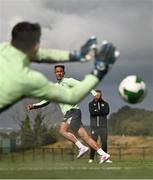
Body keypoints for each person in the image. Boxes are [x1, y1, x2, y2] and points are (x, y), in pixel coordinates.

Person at [0, 21, 119, 114]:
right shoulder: (30, 80)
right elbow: (72, 96)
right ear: (35, 46)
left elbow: (41, 55)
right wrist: (99, 71)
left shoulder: (3, 48)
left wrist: (76, 55)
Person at [26, 65, 111, 163]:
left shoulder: (68, 81)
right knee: (85, 137)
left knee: (62, 130)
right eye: (57, 71)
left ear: (64, 73)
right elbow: (47, 100)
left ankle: (81, 147)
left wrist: (93, 92)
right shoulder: (55, 87)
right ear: (55, 73)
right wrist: (34, 106)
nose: (59, 73)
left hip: (72, 111)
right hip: (73, 113)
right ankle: (103, 154)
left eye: (61, 71)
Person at [88, 90, 112, 163]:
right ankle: (91, 158)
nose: (98, 96)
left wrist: (97, 111)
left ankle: (105, 158)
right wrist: (100, 111)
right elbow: (92, 112)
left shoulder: (105, 104)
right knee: (93, 142)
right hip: (94, 127)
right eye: (97, 95)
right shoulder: (91, 104)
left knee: (104, 143)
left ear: (101, 95)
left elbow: (106, 112)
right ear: (94, 95)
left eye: (99, 95)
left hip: (103, 127)